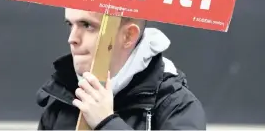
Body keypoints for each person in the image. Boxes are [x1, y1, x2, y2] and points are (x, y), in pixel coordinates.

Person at [36, 8, 206, 130]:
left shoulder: (176, 106)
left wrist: (107, 123)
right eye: (70, 24)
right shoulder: (62, 97)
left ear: (128, 36)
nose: (72, 38)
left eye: (87, 25)